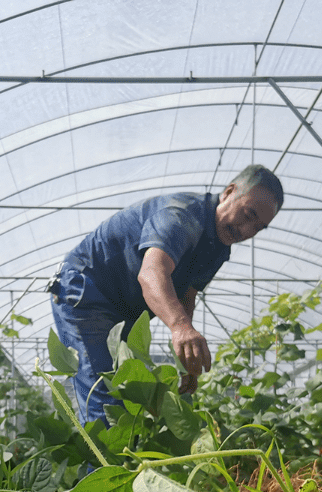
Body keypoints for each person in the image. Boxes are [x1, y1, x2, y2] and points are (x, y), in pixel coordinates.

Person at [48, 164, 283, 426]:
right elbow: (151, 274)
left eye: (259, 228)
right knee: (105, 398)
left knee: (126, 394)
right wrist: (180, 327)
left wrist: (185, 358)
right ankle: (101, 465)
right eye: (248, 214)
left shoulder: (219, 247)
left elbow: (187, 295)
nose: (246, 230)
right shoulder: (182, 216)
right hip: (87, 291)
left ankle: (118, 462)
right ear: (229, 192)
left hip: (121, 308)